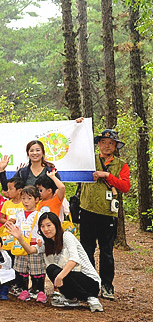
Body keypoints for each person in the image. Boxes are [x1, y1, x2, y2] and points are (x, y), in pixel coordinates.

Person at [8, 212, 104, 312]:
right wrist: (19, 237)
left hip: (90, 283)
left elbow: (74, 259)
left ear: (56, 225)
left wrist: (60, 276)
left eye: (49, 225)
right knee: (51, 269)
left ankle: (90, 298)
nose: (46, 229)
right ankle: (71, 298)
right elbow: (31, 250)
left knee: (57, 271)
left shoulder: (66, 236)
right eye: (42, 226)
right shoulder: (48, 243)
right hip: (72, 280)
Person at [80, 129, 130, 301]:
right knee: (87, 250)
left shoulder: (121, 165)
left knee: (106, 251)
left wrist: (107, 175)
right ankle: (90, 283)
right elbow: (71, 155)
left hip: (108, 214)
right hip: (86, 210)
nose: (106, 146)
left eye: (111, 143)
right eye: (103, 142)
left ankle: (107, 286)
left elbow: (125, 186)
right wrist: (78, 126)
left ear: (116, 146)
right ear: (98, 144)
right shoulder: (89, 160)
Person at [6, 185, 46, 303]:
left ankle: (39, 290)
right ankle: (23, 289)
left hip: (34, 245)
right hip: (20, 245)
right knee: (21, 269)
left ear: (36, 200)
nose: (26, 202)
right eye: (23, 199)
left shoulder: (39, 215)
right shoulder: (19, 214)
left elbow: (42, 230)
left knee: (37, 269)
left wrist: (41, 241)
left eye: (29, 198)